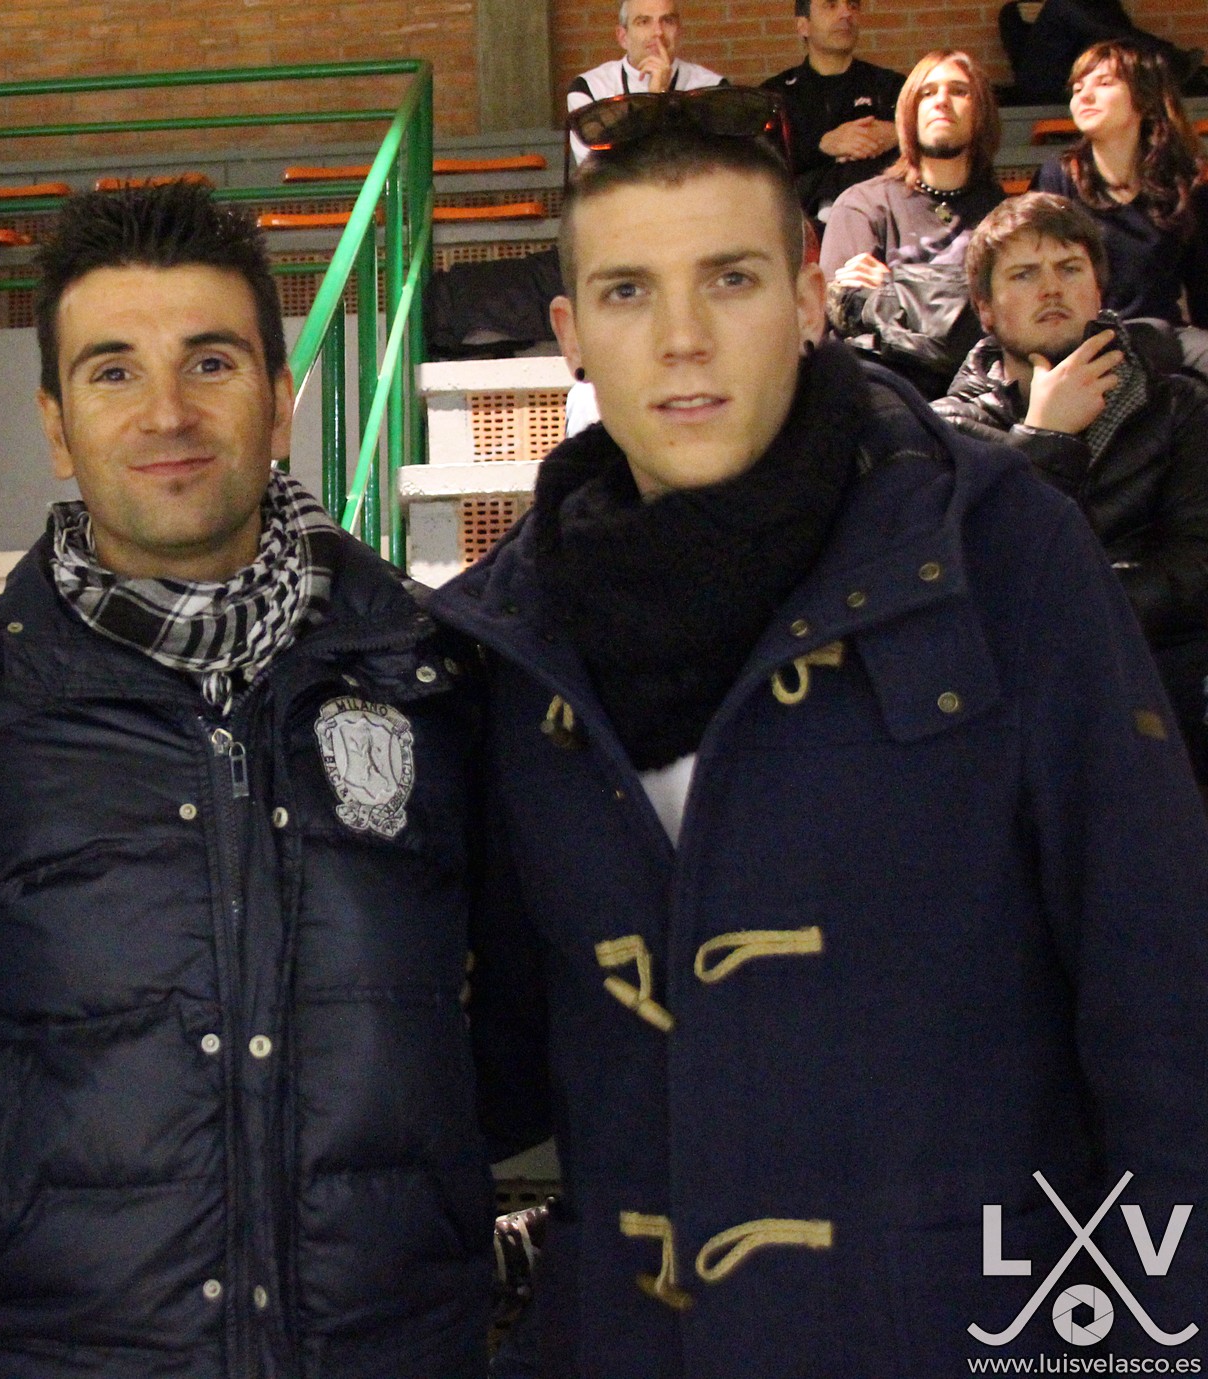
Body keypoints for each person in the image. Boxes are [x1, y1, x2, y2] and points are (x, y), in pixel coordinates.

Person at [433, 103, 1208, 1376]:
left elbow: (1160, 997)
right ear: (569, 334)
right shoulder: (507, 639)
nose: (680, 337)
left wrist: (1139, 1340)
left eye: (729, 279)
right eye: (626, 291)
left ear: (806, 300)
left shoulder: (996, 549)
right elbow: (499, 1058)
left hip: (958, 1327)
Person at [0, 183, 505, 1378]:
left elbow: (514, 1035)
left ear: (279, 400)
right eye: (112, 371)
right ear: (55, 423)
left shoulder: (436, 681)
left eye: (210, 362)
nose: (166, 411)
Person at [933, 192, 1208, 784]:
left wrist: (1077, 613)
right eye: (1024, 274)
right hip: (1008, 707)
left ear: (1098, 291)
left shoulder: (1177, 407)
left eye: (1069, 268)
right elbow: (968, 580)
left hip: (1155, 685)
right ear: (985, 309)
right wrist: (1046, 439)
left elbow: (1197, 566)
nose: (1051, 288)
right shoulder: (944, 432)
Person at [821, 49, 1005, 394]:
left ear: (982, 113)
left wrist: (893, 289)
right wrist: (961, 303)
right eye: (927, 92)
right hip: (890, 397)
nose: (942, 101)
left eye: (959, 91)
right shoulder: (862, 205)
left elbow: (1007, 322)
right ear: (909, 112)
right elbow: (845, 320)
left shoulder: (1006, 217)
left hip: (984, 398)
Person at [1035, 42, 1208, 378]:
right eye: (1077, 88)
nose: (1084, 96)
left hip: (1163, 337)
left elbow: (1203, 289)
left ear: (1144, 99)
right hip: (1084, 339)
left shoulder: (1185, 183)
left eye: (1104, 83)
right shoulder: (1057, 177)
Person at [761, 0, 903, 219]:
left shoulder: (890, 87)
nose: (846, 13)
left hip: (882, 219)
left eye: (853, 5)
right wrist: (822, 145)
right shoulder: (775, 96)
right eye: (830, 5)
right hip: (800, 223)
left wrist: (898, 134)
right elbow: (759, 162)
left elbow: (931, 141)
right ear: (803, 26)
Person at [566, 0, 725, 167]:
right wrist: (655, 98)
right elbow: (595, 173)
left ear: (679, 31)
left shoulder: (714, 88)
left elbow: (718, 170)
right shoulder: (590, 88)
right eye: (643, 22)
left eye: (667, 21)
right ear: (623, 37)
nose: (658, 32)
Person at [1015, 0, 1205, 103]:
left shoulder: (1102, 6)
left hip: (1089, 80)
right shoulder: (1061, 6)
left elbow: (1118, 34)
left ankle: (1172, 69)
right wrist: (1167, 55)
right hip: (1049, 88)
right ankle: (1171, 64)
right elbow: (1111, 34)